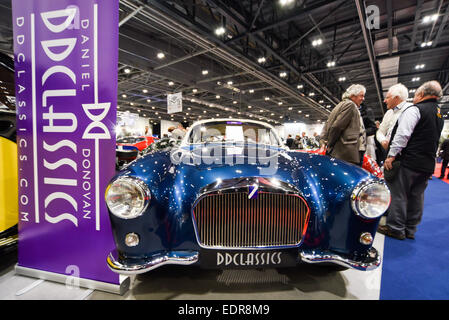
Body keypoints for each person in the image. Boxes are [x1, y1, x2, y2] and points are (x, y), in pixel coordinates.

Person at [378, 81, 444, 240]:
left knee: (399, 194)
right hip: (427, 164)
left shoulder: (415, 110)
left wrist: (392, 155)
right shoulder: (439, 114)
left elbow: (403, 135)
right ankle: (410, 229)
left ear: (421, 94)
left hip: (410, 161)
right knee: (417, 196)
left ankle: (396, 228)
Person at [321, 84, 366, 165]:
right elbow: (337, 126)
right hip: (347, 153)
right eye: (361, 96)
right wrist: (330, 144)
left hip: (342, 152)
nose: (363, 99)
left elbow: (328, 126)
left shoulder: (339, 106)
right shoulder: (350, 105)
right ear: (353, 96)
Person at [376, 83, 412, 164]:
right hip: (388, 152)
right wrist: (383, 141)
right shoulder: (389, 113)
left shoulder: (410, 110)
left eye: (387, 98)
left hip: (405, 156)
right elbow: (380, 132)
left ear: (397, 98)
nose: (385, 100)